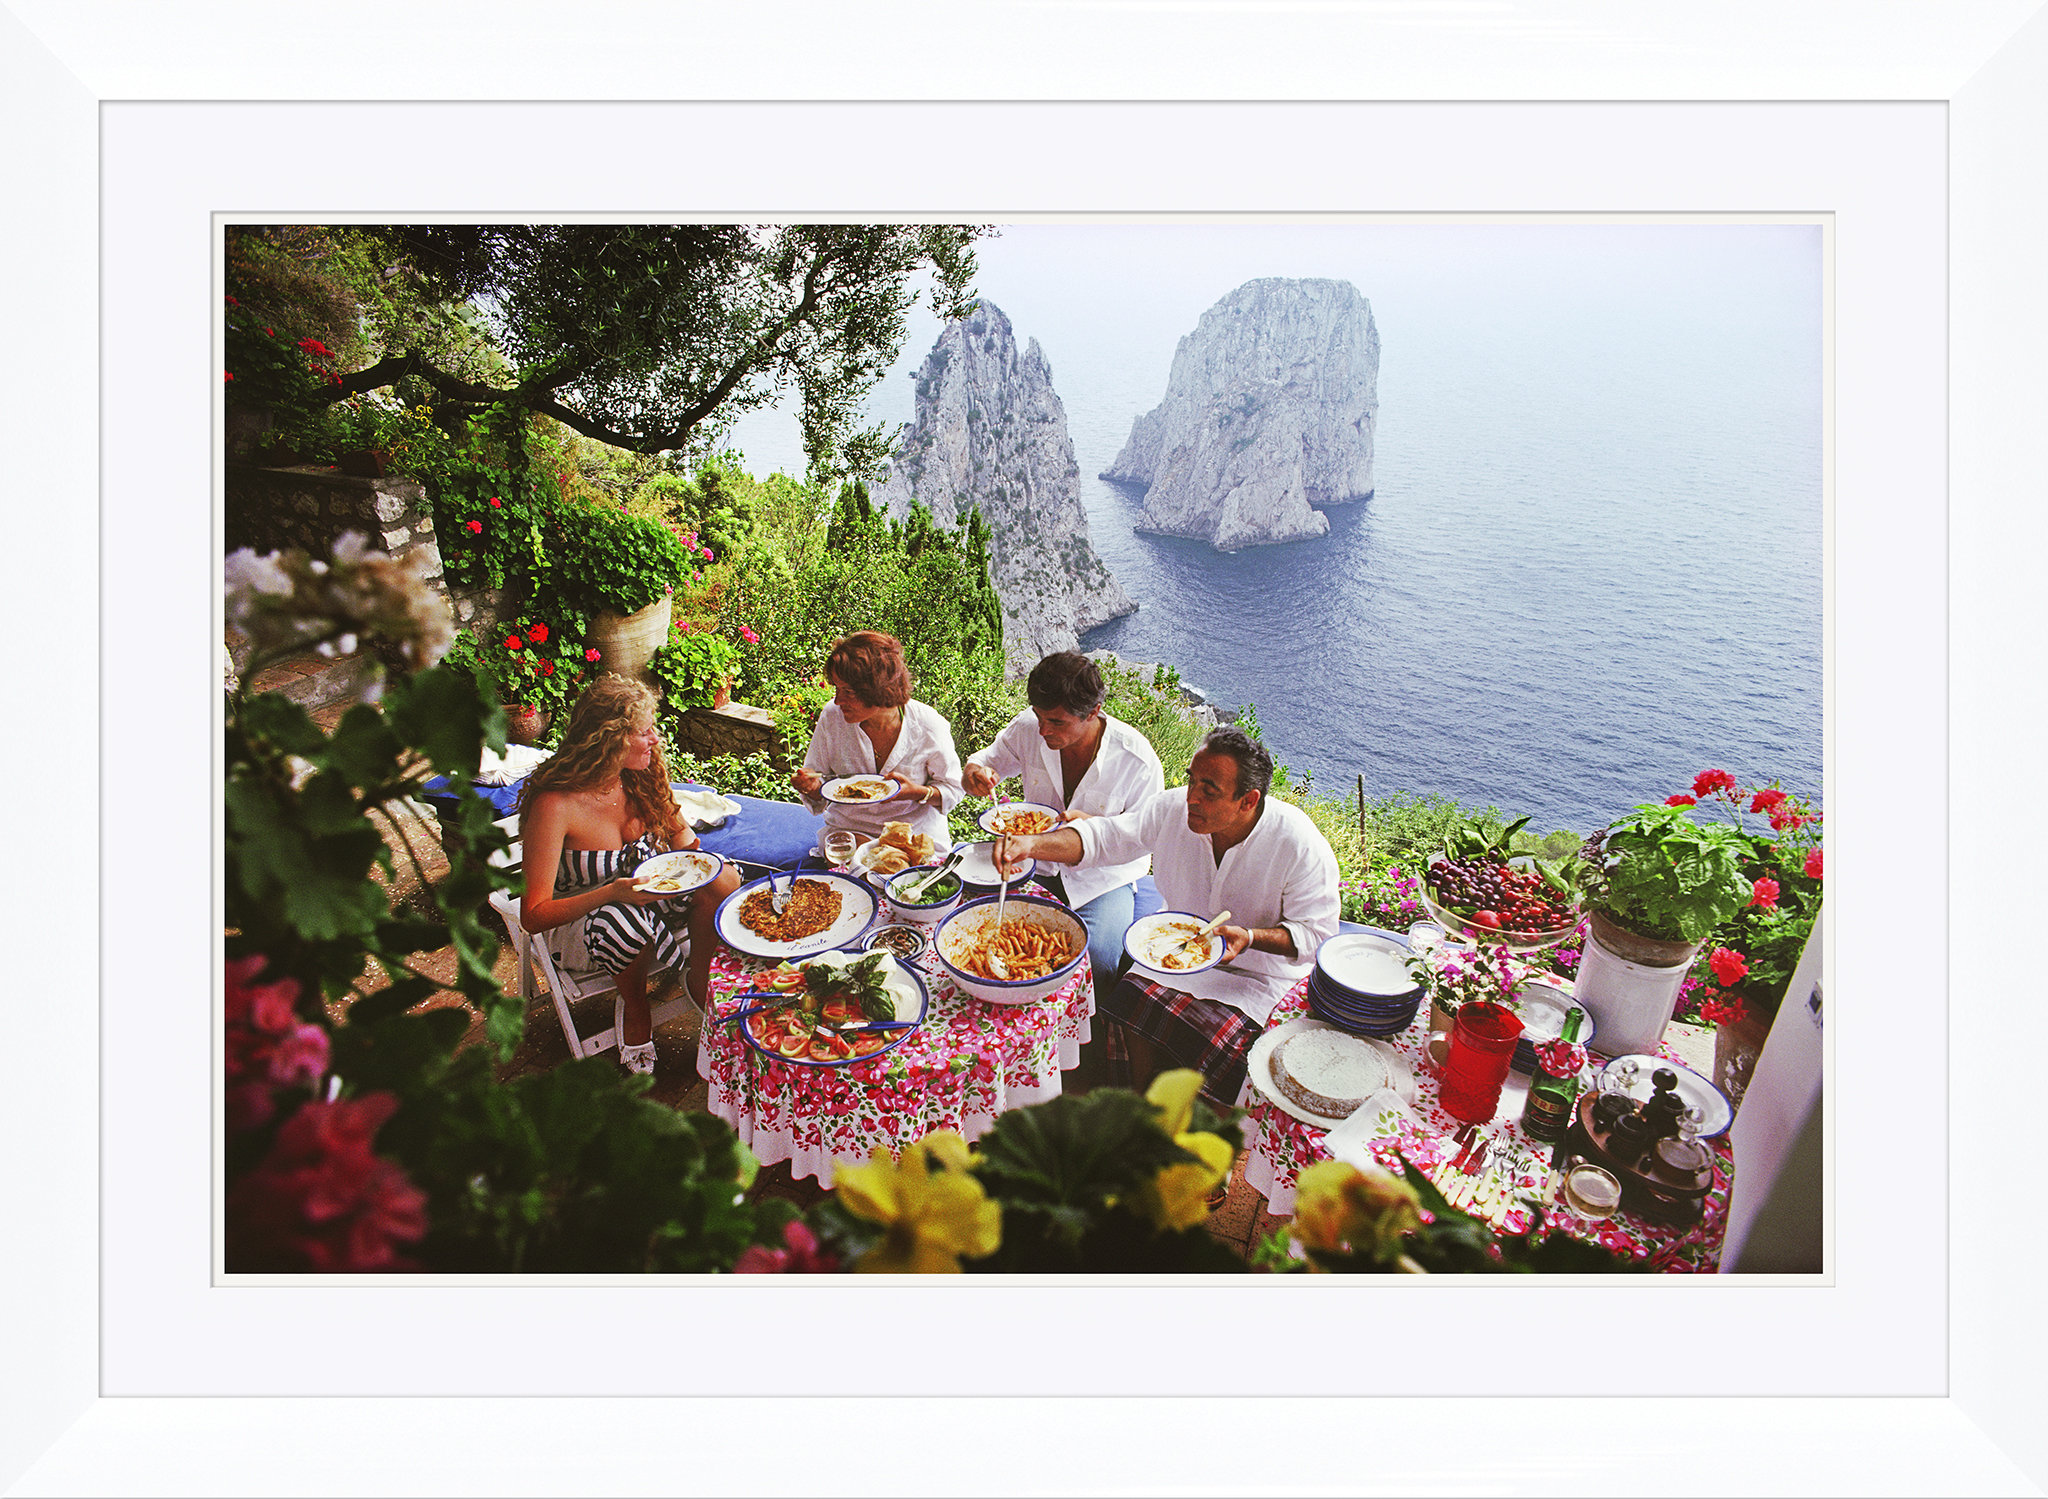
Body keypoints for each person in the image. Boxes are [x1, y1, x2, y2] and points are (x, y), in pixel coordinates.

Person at [995, 725, 1340, 1109]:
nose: (1192, 797)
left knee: (1228, 1047)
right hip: (1173, 952)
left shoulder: (1297, 844)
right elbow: (1104, 838)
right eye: (1192, 780)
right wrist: (1031, 844)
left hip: (1258, 977)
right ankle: (1144, 1103)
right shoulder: (1172, 809)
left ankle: (1205, 1121)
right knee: (1128, 1000)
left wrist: (1250, 937)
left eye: (1210, 791)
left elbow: (1317, 936)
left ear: (1248, 800)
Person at [515, 673, 743, 1077]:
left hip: (644, 895)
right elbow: (533, 915)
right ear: (610, 739)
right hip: (583, 919)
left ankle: (699, 978)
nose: (656, 739)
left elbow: (683, 840)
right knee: (625, 921)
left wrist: (696, 864)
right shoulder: (555, 805)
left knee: (722, 879)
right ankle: (637, 1007)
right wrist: (611, 893)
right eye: (645, 732)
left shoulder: (640, 775)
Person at [962, 650, 1164, 998]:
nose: (1043, 730)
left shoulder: (1136, 759)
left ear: (1093, 712)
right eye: (1039, 716)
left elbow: (1143, 836)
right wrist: (974, 774)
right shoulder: (1029, 728)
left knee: (1097, 958)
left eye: (1056, 722)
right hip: (1034, 865)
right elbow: (986, 761)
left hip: (1102, 879)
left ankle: (1086, 1029)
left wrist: (1094, 827)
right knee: (983, 931)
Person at [790, 631, 963, 850]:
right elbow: (820, 783)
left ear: (879, 689)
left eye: (848, 691)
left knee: (896, 866)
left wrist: (915, 792)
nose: (838, 700)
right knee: (860, 862)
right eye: (837, 688)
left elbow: (953, 790)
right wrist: (811, 787)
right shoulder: (832, 717)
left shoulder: (928, 725)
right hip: (850, 833)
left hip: (913, 837)